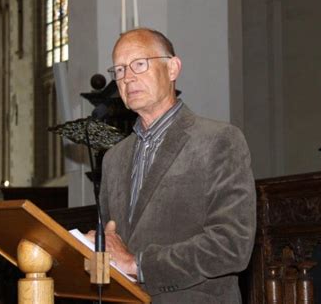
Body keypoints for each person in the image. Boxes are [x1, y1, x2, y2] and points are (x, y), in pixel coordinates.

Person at [87, 28, 256, 303]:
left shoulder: (219, 141)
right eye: (119, 70)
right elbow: (114, 245)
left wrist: (138, 264)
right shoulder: (114, 158)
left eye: (139, 64)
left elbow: (231, 245)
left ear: (173, 68)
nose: (127, 77)